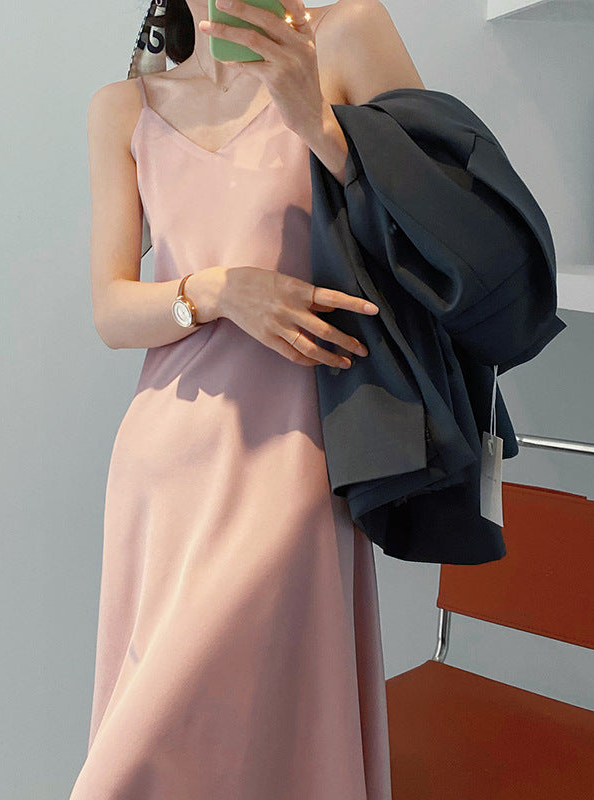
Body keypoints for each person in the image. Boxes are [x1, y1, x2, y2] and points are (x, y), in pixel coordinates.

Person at [69, 1, 425, 797]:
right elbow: (111, 308)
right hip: (160, 474)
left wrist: (319, 125)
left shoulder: (346, 38)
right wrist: (219, 291)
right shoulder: (123, 108)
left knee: (164, 760)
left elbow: (439, 227)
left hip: (295, 458)